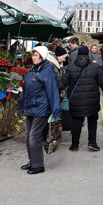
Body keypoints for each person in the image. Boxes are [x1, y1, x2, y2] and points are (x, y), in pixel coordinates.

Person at [59, 46, 103, 152]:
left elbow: (62, 84)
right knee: (92, 120)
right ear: (87, 54)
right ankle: (92, 143)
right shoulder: (95, 67)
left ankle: (74, 145)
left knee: (76, 122)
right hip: (92, 101)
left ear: (78, 54)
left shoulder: (70, 67)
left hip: (75, 101)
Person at [18, 45, 62, 175]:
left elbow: (53, 91)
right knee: (28, 137)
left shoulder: (47, 71)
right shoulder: (33, 69)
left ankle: (38, 166)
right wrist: (22, 105)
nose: (34, 57)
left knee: (34, 137)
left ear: (42, 56)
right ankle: (33, 161)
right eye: (33, 55)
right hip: (31, 107)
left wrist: (56, 110)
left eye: (36, 55)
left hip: (41, 109)